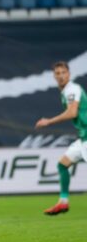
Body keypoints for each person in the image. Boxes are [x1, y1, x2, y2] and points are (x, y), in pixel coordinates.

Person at [35, 61, 86, 215]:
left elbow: (72, 113)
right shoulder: (65, 92)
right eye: (58, 73)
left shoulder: (72, 89)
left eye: (64, 72)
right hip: (83, 138)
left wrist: (49, 121)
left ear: (69, 74)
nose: (61, 76)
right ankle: (63, 202)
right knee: (63, 164)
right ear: (54, 76)